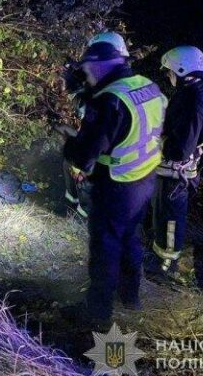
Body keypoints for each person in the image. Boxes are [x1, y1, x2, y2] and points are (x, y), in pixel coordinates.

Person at [62, 40, 166, 329]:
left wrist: (69, 142)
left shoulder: (109, 100)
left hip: (117, 185)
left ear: (98, 63)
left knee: (105, 246)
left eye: (87, 70)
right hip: (145, 178)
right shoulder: (147, 85)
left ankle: (97, 313)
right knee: (130, 238)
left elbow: (85, 156)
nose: (87, 76)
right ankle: (130, 297)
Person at [144, 46, 203, 285]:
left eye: (170, 71)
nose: (168, 76)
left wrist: (157, 141)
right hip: (170, 172)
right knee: (163, 217)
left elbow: (181, 147)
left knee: (171, 221)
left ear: (182, 70)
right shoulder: (189, 92)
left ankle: (167, 267)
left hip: (176, 174)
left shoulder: (194, 101)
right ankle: (159, 259)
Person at [58, 32, 131, 222]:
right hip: (99, 152)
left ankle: (82, 219)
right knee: (71, 167)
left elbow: (99, 136)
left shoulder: (113, 95)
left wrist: (83, 161)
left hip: (106, 163)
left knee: (84, 177)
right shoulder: (115, 82)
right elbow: (88, 97)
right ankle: (72, 209)